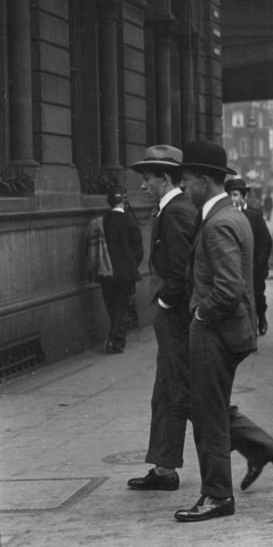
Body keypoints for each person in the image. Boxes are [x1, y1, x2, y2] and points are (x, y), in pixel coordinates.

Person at [174, 141, 273, 523]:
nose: (184, 189)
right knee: (207, 406)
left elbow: (229, 288)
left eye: (185, 182)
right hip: (227, 331)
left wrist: (200, 315)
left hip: (214, 332)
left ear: (203, 181)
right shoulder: (232, 216)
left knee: (208, 415)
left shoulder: (218, 224)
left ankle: (217, 495)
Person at [127, 144, 198, 492]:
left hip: (177, 319)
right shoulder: (170, 210)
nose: (143, 186)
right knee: (170, 392)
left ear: (165, 178)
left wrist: (167, 302)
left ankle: (267, 450)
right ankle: (164, 466)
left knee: (177, 392)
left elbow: (183, 268)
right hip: (174, 318)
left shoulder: (176, 212)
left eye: (147, 179)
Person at [89, 185, 143, 354]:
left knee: (112, 307)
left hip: (106, 274)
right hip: (126, 274)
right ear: (124, 200)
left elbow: (90, 249)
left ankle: (116, 339)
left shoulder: (101, 222)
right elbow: (138, 250)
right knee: (121, 307)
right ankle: (115, 341)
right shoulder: (131, 221)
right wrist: (131, 265)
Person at [225, 177, 273, 335]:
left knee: (257, 295)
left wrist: (258, 263)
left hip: (254, 266)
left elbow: (265, 241)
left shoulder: (254, 215)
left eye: (235, 195)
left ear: (243, 196)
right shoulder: (223, 215)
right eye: (229, 195)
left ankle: (261, 317)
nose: (232, 199)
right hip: (233, 266)